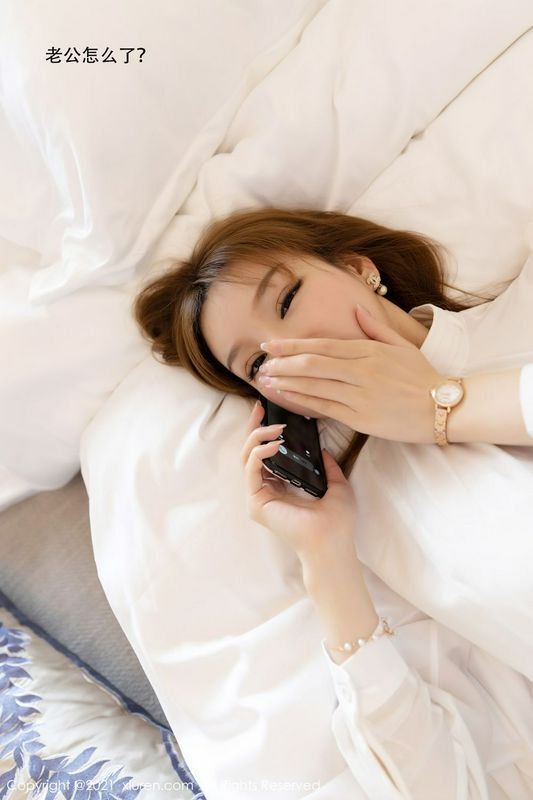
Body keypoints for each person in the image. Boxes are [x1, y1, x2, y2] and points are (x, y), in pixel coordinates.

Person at [133, 207, 533, 798]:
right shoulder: (382, 511)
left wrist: (441, 405)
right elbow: (447, 788)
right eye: (258, 363)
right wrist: (327, 564)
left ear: (356, 267)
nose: (288, 348)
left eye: (287, 299)